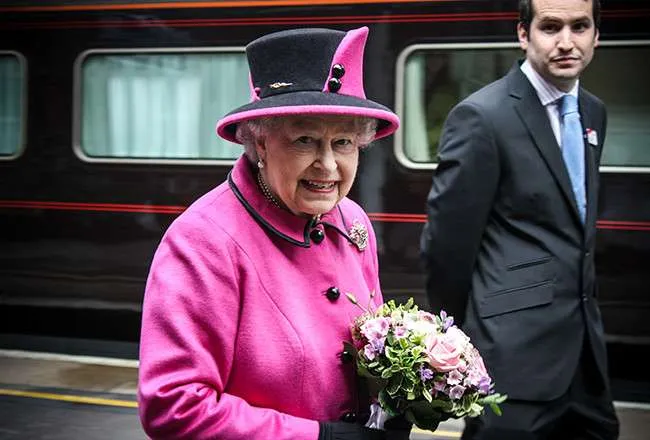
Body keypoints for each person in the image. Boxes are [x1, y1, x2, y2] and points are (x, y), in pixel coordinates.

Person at [137, 26, 412, 440]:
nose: (328, 165)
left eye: (343, 142)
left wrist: (398, 398)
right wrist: (320, 436)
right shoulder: (203, 241)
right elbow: (174, 406)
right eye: (305, 140)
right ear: (260, 142)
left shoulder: (352, 221)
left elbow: (372, 349)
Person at [419, 0, 619, 439]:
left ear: (596, 35)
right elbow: (447, 247)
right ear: (523, 34)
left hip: (587, 363)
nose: (566, 42)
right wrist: (464, 342)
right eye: (550, 27)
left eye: (579, 26)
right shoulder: (482, 116)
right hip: (512, 362)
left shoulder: (594, 113)